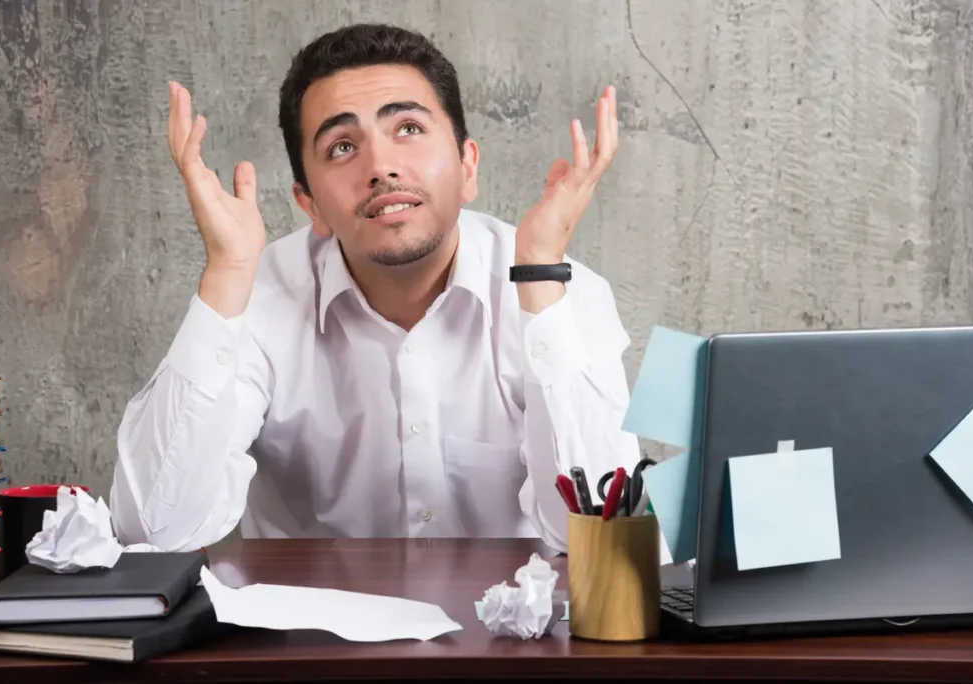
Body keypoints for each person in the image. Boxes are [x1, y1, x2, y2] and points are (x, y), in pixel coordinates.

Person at [109, 23, 642, 553]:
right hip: (307, 634)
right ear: (309, 203)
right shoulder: (257, 296)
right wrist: (225, 271)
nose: (381, 167)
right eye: (342, 146)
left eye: (407, 128)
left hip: (522, 635)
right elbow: (156, 531)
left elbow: (599, 532)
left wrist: (540, 275)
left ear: (466, 165)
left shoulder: (561, 290)